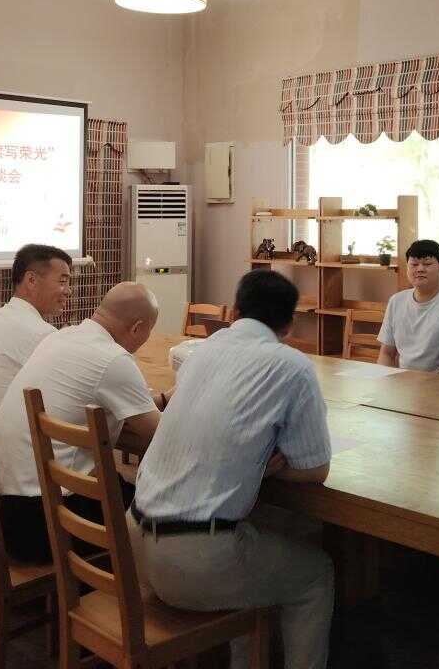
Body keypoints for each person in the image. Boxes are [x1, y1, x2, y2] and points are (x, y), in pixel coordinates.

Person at [132, 269, 334, 669]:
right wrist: (264, 467)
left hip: (134, 547)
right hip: (194, 561)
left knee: (258, 536)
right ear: (289, 325)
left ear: (235, 311)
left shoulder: (201, 352)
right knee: (316, 575)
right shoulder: (292, 366)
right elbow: (316, 470)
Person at [0, 282, 168, 563]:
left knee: (122, 486)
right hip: (45, 525)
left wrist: (164, 399)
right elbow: (163, 436)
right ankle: (123, 582)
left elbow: (117, 404)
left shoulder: (61, 337)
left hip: (4, 511)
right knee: (160, 507)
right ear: (137, 328)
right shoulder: (113, 359)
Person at [0, 244, 71, 446]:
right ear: (31, 280)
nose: (68, 291)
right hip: (1, 454)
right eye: (62, 282)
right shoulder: (42, 334)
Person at [377, 239, 439, 373]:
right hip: (401, 382)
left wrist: (427, 385)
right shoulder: (396, 301)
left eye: (427, 264)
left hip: (437, 383)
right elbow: (386, 353)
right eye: (414, 264)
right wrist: (386, 380)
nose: (420, 269)